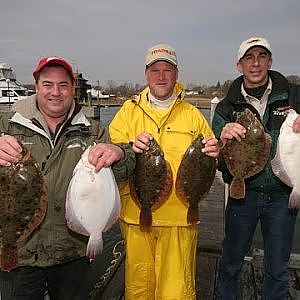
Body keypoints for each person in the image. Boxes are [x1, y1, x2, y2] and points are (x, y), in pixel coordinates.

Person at [0, 56, 135, 300]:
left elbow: (123, 172)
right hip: (22, 253)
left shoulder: (94, 130)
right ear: (36, 86)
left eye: (63, 85)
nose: (56, 92)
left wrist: (120, 152)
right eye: (48, 84)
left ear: (73, 88)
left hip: (72, 253)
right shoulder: (7, 126)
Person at [109, 43, 220, 299]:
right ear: (146, 74)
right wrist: (127, 147)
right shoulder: (127, 112)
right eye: (155, 70)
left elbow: (207, 164)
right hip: (137, 218)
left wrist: (215, 150)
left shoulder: (193, 115)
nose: (161, 76)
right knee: (139, 289)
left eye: (167, 70)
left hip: (181, 219)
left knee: (177, 291)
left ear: (176, 74)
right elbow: (113, 156)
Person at [212, 36, 300, 299]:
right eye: (249, 58)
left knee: (277, 267)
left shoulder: (294, 94)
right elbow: (215, 153)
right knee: (230, 262)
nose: (256, 63)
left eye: (262, 56)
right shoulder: (227, 106)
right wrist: (222, 136)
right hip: (243, 195)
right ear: (239, 65)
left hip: (283, 194)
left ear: (270, 61)